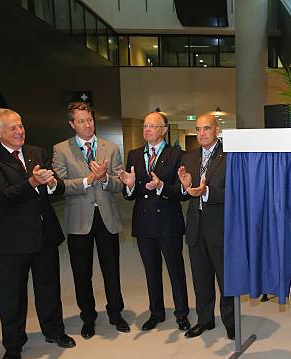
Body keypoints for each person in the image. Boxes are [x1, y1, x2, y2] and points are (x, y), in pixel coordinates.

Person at [0, 109, 75, 359]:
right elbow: (4, 196)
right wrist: (32, 182)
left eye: (21, 125)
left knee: (48, 287)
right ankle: (13, 344)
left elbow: (55, 189)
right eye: (13, 128)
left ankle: (54, 330)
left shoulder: (37, 152)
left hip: (43, 233)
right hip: (12, 239)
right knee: (12, 294)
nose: (20, 131)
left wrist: (52, 184)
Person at [53, 102, 129, 339]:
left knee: (111, 269)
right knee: (81, 272)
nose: (87, 125)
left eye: (90, 120)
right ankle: (88, 317)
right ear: (71, 124)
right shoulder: (61, 150)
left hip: (107, 217)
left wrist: (105, 178)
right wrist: (88, 179)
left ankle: (115, 313)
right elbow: (60, 186)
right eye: (81, 121)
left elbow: (120, 183)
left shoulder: (111, 148)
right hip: (79, 220)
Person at [119, 112, 190, 332]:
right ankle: (156, 312)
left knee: (175, 269)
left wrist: (161, 186)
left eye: (152, 125)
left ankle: (181, 313)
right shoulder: (134, 155)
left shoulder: (177, 155)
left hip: (169, 222)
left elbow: (182, 193)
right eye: (145, 125)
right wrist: (129, 186)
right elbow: (129, 194)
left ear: (164, 130)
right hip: (144, 223)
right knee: (151, 270)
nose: (147, 129)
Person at [177, 114, 234, 340]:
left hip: (219, 227)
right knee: (200, 278)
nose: (201, 133)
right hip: (195, 226)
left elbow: (234, 191)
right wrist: (185, 187)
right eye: (198, 129)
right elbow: (184, 191)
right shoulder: (189, 157)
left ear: (217, 130)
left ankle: (231, 323)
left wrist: (207, 192)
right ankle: (205, 320)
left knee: (224, 278)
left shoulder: (229, 156)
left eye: (206, 128)